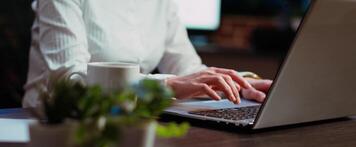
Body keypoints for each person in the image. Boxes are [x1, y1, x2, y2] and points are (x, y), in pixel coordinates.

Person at [23, 0, 272, 108]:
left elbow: (187, 69)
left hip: (128, 123)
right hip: (51, 132)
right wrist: (166, 85)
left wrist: (240, 84)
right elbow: (70, 82)